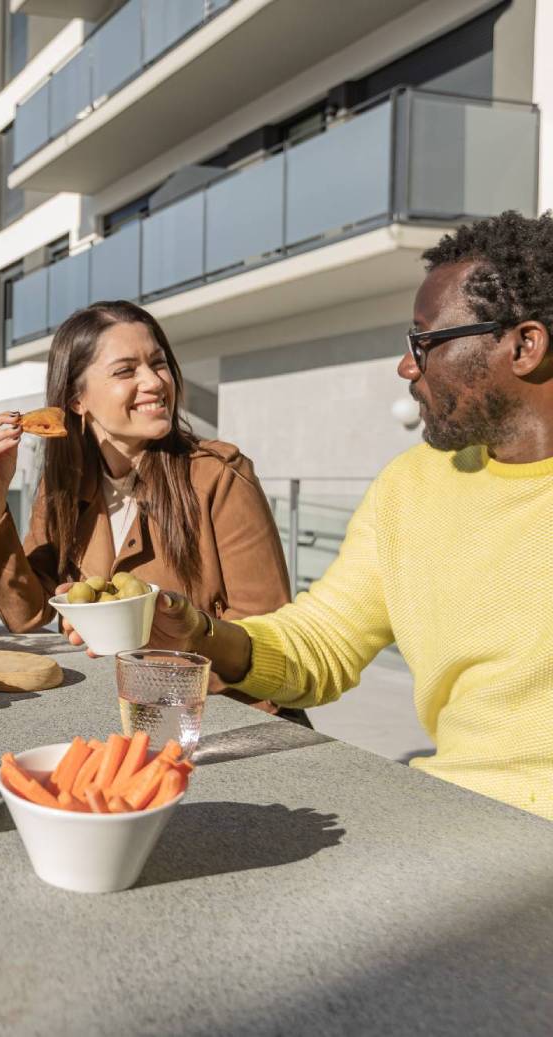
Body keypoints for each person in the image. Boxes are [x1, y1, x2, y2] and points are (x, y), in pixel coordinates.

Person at [136, 210, 553, 820]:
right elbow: (323, 643)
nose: (407, 367)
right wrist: (203, 635)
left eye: (424, 341)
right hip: (451, 817)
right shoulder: (410, 487)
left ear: (523, 345)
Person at [0, 300, 300, 717]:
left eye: (157, 364)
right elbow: (26, 615)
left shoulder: (220, 476)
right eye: (126, 371)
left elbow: (270, 643)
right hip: (128, 715)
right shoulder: (65, 485)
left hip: (229, 721)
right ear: (76, 399)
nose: (155, 382)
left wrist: (175, 631)